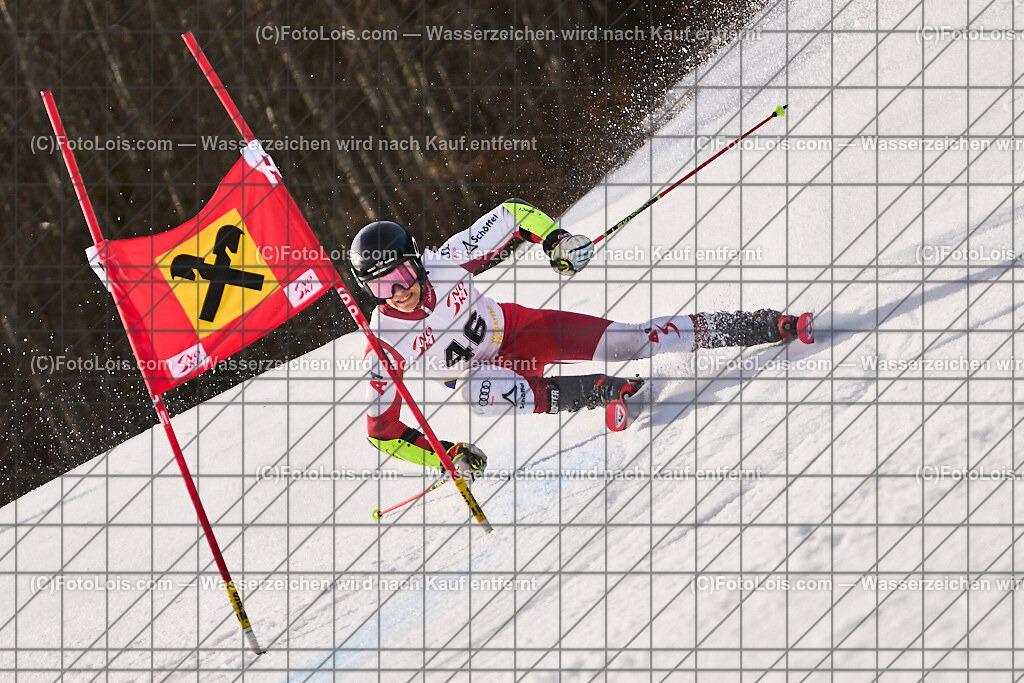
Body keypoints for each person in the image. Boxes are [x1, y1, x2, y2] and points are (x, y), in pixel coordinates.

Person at [350, 199, 799, 481]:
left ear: (417, 262)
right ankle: (596, 390)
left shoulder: (448, 260)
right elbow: (382, 432)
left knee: (630, 341)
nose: (399, 291)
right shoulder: (386, 342)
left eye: (403, 274)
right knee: (477, 393)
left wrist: (556, 240)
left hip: (520, 329)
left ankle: (750, 325)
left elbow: (511, 214)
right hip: (492, 375)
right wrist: (448, 456)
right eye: (381, 286)